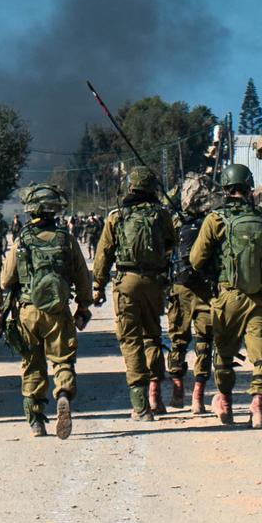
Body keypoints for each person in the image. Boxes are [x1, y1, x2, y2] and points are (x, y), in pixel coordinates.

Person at [190, 164, 262, 429]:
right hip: (261, 299)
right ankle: (257, 408)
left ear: (225, 189)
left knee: (223, 354)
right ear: (249, 188)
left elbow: (196, 259)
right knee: (261, 355)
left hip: (229, 296)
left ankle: (226, 404)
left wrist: (216, 271)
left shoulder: (215, 219)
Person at [0, 184, 93, 438]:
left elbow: (6, 281)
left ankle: (36, 421)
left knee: (32, 364)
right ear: (55, 210)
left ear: (30, 210)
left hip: (28, 312)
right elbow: (83, 279)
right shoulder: (66, 239)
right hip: (58, 311)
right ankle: (63, 393)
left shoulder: (22, 240)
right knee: (62, 359)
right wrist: (83, 307)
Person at [92, 167, 177, 421]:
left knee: (131, 341)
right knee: (152, 336)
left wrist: (98, 285)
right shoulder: (162, 215)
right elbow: (171, 245)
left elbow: (103, 254)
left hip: (126, 283)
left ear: (130, 187)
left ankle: (140, 407)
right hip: (154, 283)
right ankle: (155, 396)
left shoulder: (117, 216)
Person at [166, 174, 218, 413]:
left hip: (180, 287)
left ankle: (178, 390)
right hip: (206, 289)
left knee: (177, 341)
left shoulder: (176, 223)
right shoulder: (215, 221)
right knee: (205, 342)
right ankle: (198, 396)